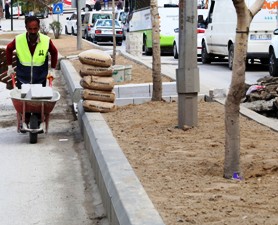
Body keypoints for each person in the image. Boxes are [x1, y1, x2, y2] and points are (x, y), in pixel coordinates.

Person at [6, 16, 58, 89]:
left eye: (35, 29)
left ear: (39, 28)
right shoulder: (19, 39)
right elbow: (8, 49)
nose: (33, 31)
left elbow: (54, 52)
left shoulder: (46, 40)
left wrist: (52, 69)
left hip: (40, 80)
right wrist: (10, 67)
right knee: (23, 99)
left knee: (38, 99)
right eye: (30, 29)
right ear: (26, 28)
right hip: (22, 80)